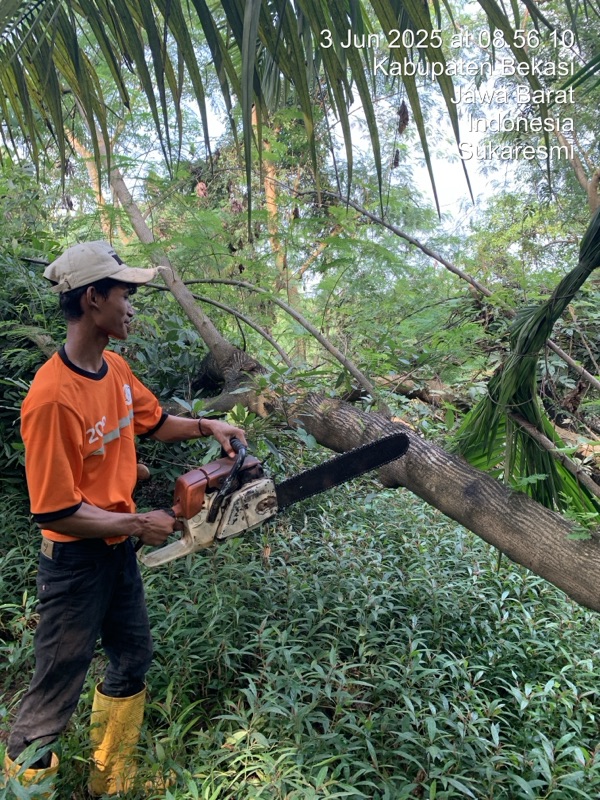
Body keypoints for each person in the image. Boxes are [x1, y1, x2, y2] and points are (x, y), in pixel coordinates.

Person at [3, 240, 246, 796]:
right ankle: (24, 787)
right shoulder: (52, 399)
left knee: (133, 655)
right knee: (54, 692)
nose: (132, 307)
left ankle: (110, 779)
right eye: (125, 295)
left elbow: (155, 423)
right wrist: (139, 524)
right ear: (93, 299)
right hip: (74, 561)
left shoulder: (114, 368)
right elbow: (56, 510)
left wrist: (209, 426)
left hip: (117, 553)